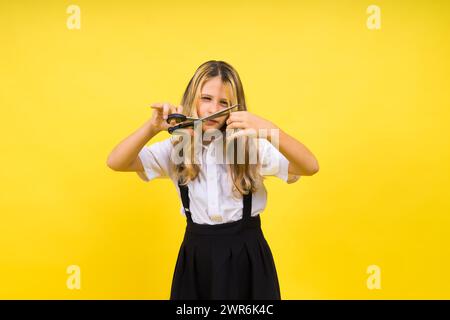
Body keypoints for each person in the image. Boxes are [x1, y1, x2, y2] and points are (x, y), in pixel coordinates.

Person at [106, 60, 319, 299]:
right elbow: (117, 162)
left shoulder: (252, 147)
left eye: (223, 102)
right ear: (192, 98)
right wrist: (151, 127)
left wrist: (270, 130)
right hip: (197, 259)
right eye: (206, 98)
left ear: (234, 109)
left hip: (247, 257)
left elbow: (310, 166)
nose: (212, 109)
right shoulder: (177, 148)